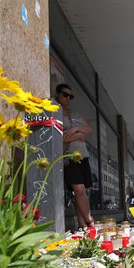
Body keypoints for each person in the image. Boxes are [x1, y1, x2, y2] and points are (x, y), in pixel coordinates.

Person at [56, 83, 94, 229]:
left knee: (82, 191)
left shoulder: (75, 114)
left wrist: (77, 129)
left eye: (70, 96)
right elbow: (61, 138)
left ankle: (82, 225)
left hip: (82, 156)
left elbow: (88, 131)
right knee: (79, 190)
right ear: (58, 95)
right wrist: (79, 135)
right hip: (68, 157)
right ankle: (90, 221)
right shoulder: (56, 113)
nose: (68, 98)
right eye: (65, 95)